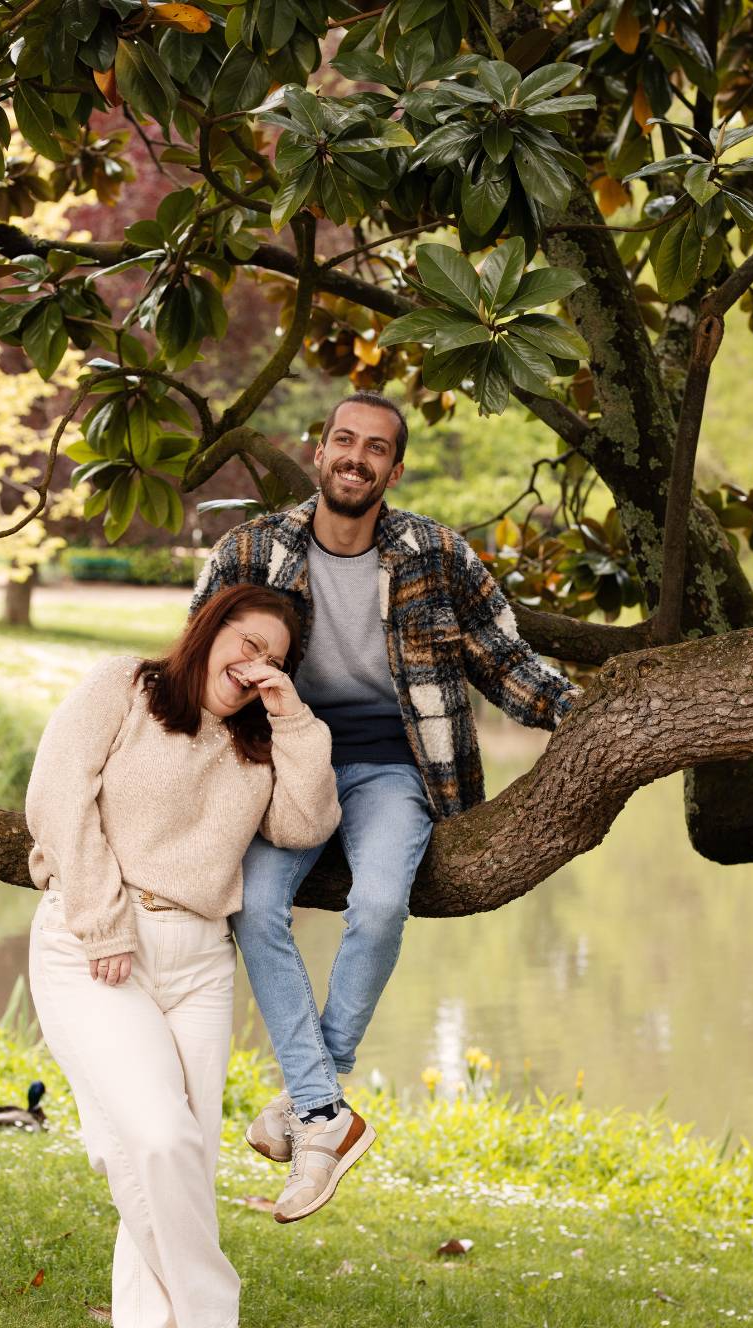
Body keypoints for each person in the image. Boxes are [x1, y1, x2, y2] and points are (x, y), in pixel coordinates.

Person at [190, 392, 582, 1224]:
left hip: (395, 768)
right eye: (343, 441)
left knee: (375, 904)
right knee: (255, 905)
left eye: (376, 448)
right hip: (283, 766)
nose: (356, 457)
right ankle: (325, 1108)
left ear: (393, 470)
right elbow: (201, 663)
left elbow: (505, 660)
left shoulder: (436, 553)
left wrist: (590, 717)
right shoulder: (251, 551)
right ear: (321, 449)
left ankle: (312, 1101)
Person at [25, 584, 341, 1328]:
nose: (253, 664)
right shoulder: (121, 688)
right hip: (96, 945)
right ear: (208, 628)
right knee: (158, 1140)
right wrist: (101, 923)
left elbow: (305, 827)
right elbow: (57, 800)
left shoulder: (261, 743)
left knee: (179, 1160)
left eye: (272, 656)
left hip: (199, 960)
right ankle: (214, 1323)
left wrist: (295, 719)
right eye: (245, 641)